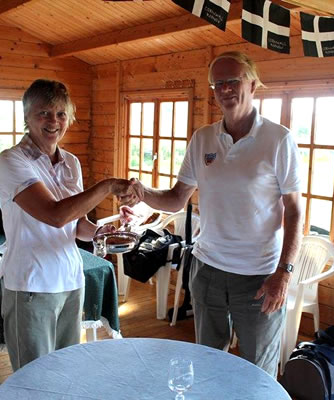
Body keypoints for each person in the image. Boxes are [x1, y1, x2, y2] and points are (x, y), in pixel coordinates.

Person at [129, 51, 303, 377]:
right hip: (207, 271)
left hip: (260, 278)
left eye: (232, 81)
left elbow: (294, 212)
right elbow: (177, 198)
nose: (224, 89)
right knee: (207, 366)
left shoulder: (278, 140)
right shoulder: (203, 139)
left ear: (252, 84)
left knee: (257, 375)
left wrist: (284, 273)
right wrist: (142, 193)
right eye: (217, 83)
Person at [0, 79, 138, 371]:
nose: (53, 121)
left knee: (65, 371)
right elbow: (55, 214)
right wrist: (108, 185)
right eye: (44, 113)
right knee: (34, 377)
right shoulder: (11, 160)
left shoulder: (71, 162)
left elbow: (75, 224)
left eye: (61, 114)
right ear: (26, 117)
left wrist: (99, 232)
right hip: (31, 284)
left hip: (71, 280)